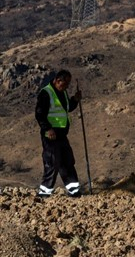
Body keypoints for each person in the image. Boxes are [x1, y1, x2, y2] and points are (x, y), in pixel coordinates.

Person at [36, 69, 83, 198]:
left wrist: (75, 99)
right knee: (52, 162)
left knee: (67, 160)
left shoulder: (62, 92)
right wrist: (47, 129)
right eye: (65, 83)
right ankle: (44, 193)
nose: (67, 86)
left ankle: (74, 191)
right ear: (57, 80)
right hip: (51, 134)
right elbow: (39, 114)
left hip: (62, 133)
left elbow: (66, 108)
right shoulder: (46, 93)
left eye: (68, 84)